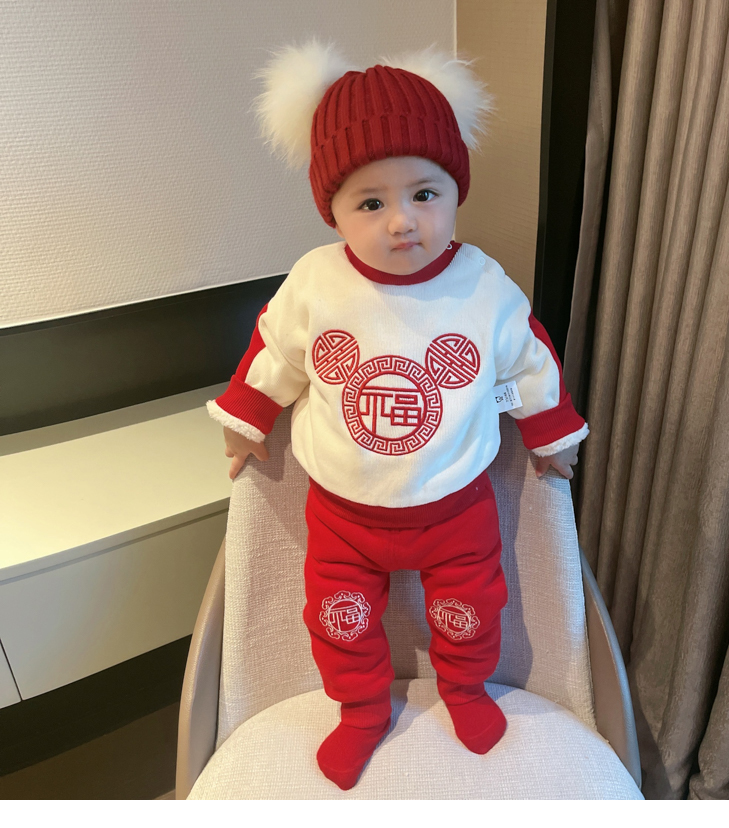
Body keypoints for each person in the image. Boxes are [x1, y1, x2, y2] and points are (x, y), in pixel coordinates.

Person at [208, 42, 588, 790]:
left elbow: (529, 360)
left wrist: (552, 437)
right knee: (338, 617)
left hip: (456, 505)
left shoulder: (482, 286)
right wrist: (245, 418)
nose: (403, 222)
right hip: (343, 515)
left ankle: (466, 689)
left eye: (425, 193)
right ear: (334, 210)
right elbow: (274, 350)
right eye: (371, 203)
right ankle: (359, 708)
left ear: (455, 192)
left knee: (470, 608)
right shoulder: (316, 282)